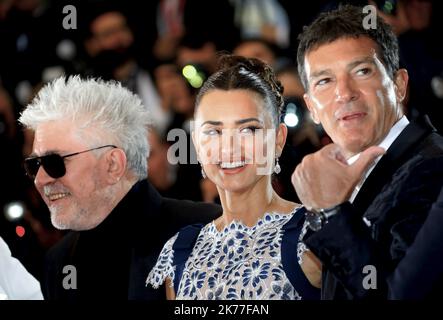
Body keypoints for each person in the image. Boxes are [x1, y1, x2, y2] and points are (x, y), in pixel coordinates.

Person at [18, 76, 221, 300]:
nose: (40, 179)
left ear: (113, 164)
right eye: (34, 165)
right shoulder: (58, 261)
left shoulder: (209, 232)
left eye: (55, 163)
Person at [291, 5, 443, 299]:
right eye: (325, 81)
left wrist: (332, 213)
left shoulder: (432, 169)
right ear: (312, 108)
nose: (344, 93)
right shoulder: (340, 179)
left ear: (399, 85)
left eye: (361, 71)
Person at [146, 55, 321, 300]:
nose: (229, 147)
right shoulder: (179, 252)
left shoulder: (313, 236)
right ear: (196, 142)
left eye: (248, 129)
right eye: (214, 131)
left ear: (278, 139)